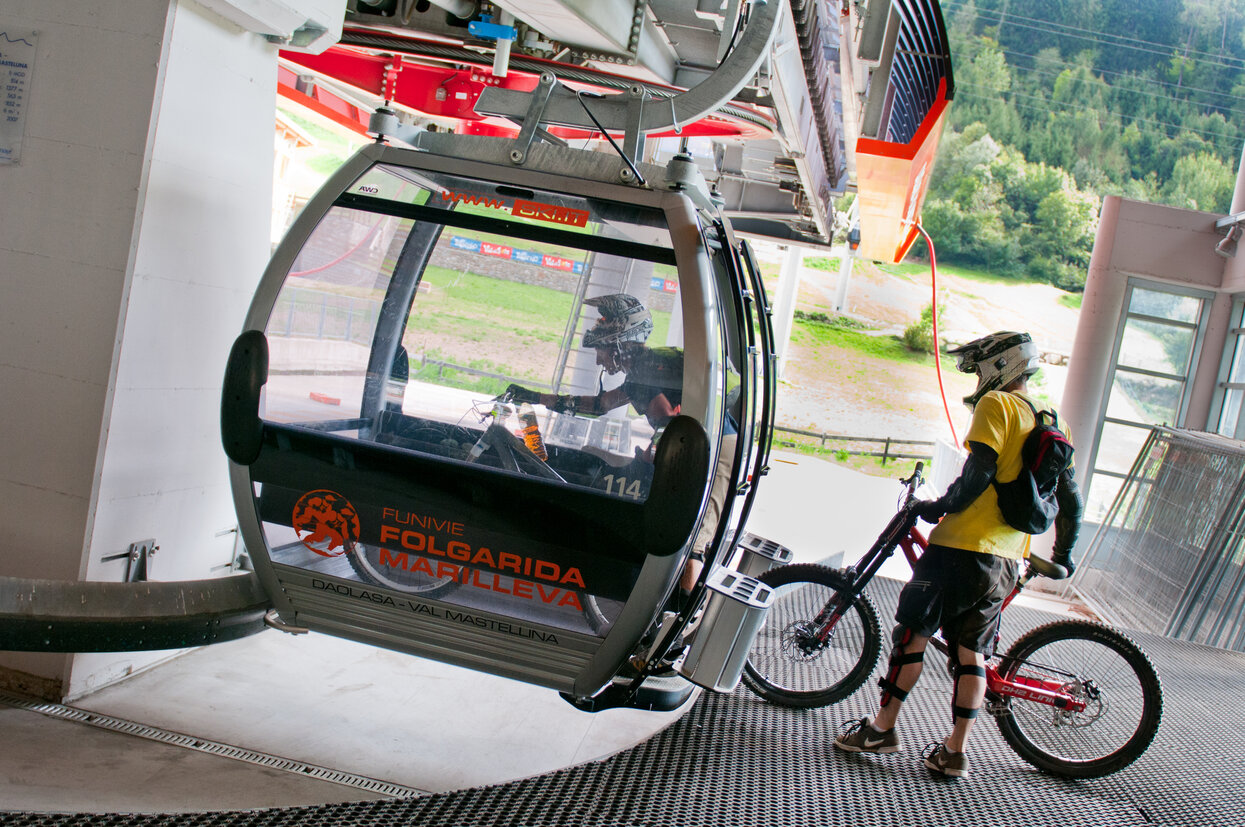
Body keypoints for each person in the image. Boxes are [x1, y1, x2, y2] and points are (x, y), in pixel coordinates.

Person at [833, 331, 1083, 779]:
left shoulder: (997, 407)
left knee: (913, 634)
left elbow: (978, 473)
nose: (975, 375)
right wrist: (1064, 556)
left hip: (961, 548)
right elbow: (1072, 501)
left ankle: (882, 729)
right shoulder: (1053, 419)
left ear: (999, 365)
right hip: (1005, 561)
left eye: (979, 365)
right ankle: (954, 751)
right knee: (972, 653)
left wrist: (937, 507)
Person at [506, 292, 736, 592]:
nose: (599, 358)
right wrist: (536, 398)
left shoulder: (644, 370)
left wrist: (655, 453)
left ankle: (684, 617)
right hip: (704, 447)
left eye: (600, 349)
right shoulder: (648, 366)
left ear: (619, 343)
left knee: (694, 539)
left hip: (716, 452)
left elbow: (669, 420)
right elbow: (600, 405)